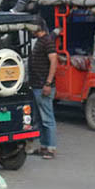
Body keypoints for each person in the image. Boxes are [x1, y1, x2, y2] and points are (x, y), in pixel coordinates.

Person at [29, 17, 58, 159]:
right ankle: (44, 146)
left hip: (43, 86)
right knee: (40, 119)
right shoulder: (39, 41)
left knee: (48, 118)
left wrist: (48, 83)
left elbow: (54, 61)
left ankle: (51, 148)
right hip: (36, 85)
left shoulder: (47, 41)